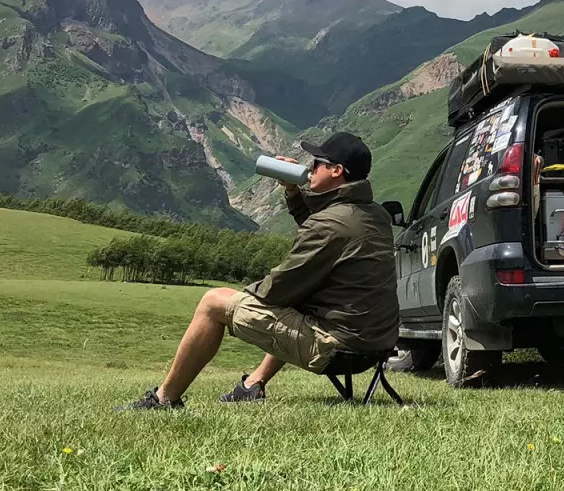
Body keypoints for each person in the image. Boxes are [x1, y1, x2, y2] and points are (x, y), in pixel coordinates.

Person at [114, 131, 399, 410]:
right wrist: (293, 191)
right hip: (375, 345)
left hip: (337, 348)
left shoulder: (330, 225)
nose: (309, 167)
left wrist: (242, 297)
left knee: (213, 303)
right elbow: (327, 228)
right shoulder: (377, 215)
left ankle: (164, 399)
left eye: (317, 163)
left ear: (336, 170)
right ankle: (253, 385)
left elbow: (277, 290)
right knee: (299, 303)